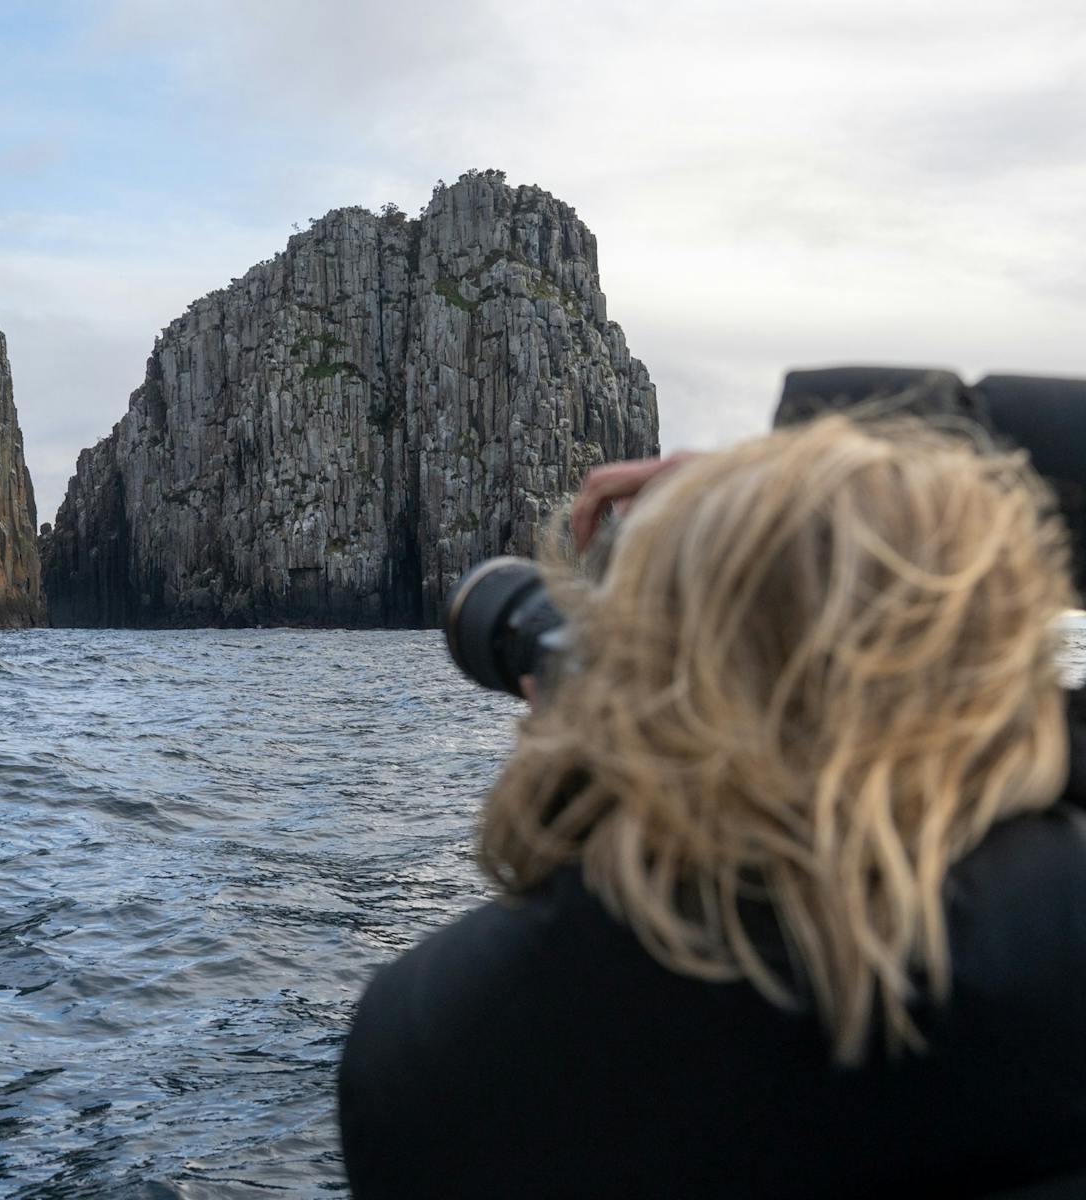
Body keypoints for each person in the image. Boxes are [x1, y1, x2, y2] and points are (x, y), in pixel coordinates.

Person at [339, 414, 1086, 1199]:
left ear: (625, 677)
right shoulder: (1054, 936)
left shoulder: (427, 1043)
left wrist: (609, 724)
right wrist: (806, 511)